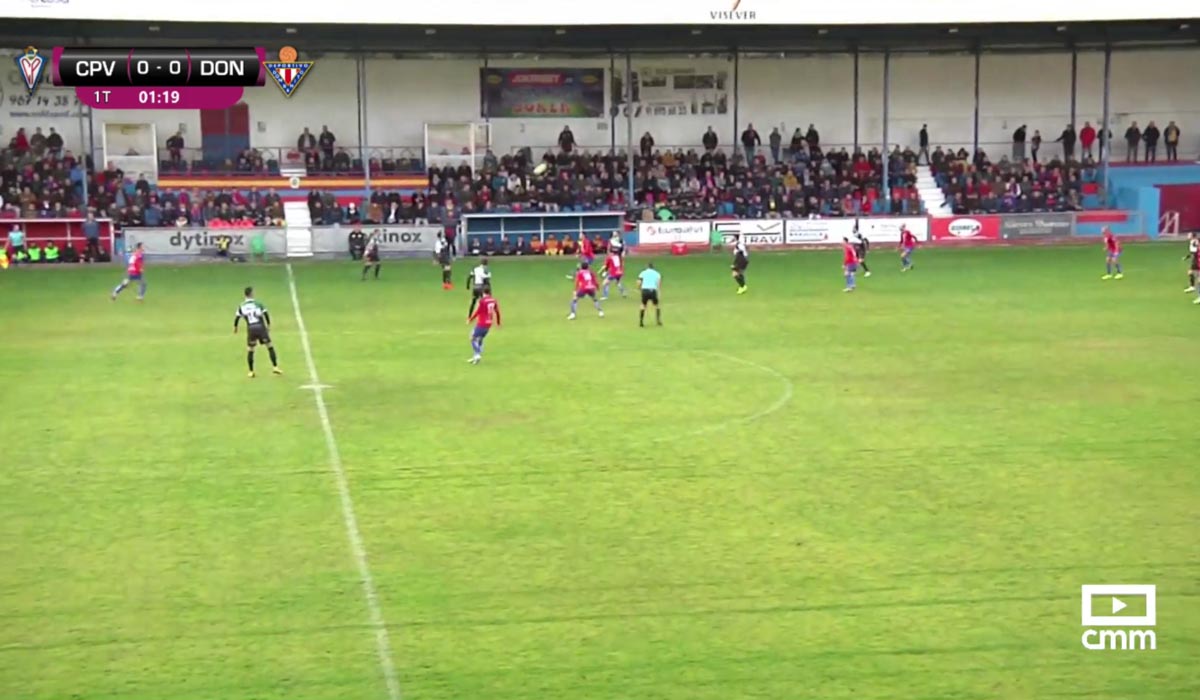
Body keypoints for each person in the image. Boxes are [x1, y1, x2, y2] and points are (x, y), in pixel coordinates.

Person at [234, 286, 282, 378]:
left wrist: (235, 327)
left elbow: (237, 317)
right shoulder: (258, 304)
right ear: (252, 294)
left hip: (251, 329)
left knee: (251, 350)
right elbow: (265, 314)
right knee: (269, 346)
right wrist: (268, 324)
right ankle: (275, 367)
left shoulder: (242, 306)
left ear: (245, 295)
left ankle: (251, 371)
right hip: (260, 327)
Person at [467, 287, 501, 365]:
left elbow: (478, 311)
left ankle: (478, 354)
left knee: (472, 338)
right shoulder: (493, 300)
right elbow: (497, 312)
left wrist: (470, 319)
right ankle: (476, 356)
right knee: (480, 338)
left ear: (483, 292)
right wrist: (498, 323)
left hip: (482, 323)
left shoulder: (482, 301)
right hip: (489, 323)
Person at [637, 262, 663, 327]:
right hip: (653, 290)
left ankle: (641, 322)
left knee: (643, 305)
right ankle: (658, 321)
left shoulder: (643, 273)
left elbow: (639, 282)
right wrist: (659, 291)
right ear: (653, 267)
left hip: (645, 290)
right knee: (656, 306)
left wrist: (639, 288)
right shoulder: (657, 273)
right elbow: (659, 283)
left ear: (647, 267)